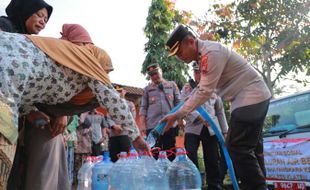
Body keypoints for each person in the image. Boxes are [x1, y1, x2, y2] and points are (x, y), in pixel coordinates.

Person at [0, 30, 149, 185]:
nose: (105, 76)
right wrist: (137, 139)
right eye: (105, 71)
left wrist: (30, 111)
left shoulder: (60, 56)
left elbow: (32, 82)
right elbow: (113, 100)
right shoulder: (88, 61)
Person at [163, 25, 271, 190]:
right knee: (250, 150)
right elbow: (199, 91)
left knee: (236, 148)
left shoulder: (210, 53)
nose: (179, 58)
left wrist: (178, 114)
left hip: (250, 97)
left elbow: (204, 91)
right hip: (248, 98)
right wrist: (178, 114)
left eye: (180, 53)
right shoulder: (204, 54)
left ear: (191, 42)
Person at [181, 62, 228, 189]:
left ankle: (215, 185)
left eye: (200, 72)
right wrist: (200, 118)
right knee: (190, 154)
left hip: (210, 127)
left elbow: (219, 111)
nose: (198, 75)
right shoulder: (187, 88)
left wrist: (224, 131)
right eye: (196, 72)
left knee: (212, 157)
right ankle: (194, 184)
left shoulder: (213, 86)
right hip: (192, 127)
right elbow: (184, 106)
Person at [139, 63, 181, 160]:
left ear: (161, 71)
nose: (154, 76)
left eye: (156, 73)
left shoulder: (172, 85)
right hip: (153, 127)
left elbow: (179, 104)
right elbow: (143, 108)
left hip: (170, 125)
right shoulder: (147, 90)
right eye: (151, 75)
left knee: (170, 154)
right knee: (154, 154)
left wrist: (180, 120)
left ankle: (170, 175)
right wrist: (142, 125)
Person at [107, 86, 134, 162]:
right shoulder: (110, 104)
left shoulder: (130, 104)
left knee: (126, 158)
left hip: (125, 135)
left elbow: (132, 118)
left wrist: (122, 127)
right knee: (114, 158)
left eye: (120, 91)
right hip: (113, 136)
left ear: (124, 92)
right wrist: (114, 126)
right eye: (116, 91)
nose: (118, 93)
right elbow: (108, 118)